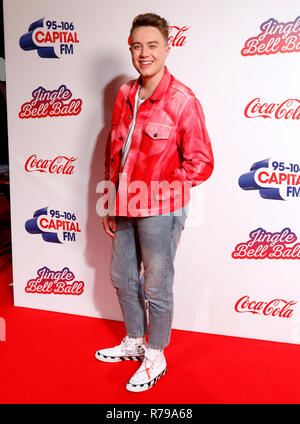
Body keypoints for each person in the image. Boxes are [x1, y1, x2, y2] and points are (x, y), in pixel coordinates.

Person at [95, 13, 214, 392]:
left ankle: (156, 353)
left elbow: (202, 162)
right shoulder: (125, 94)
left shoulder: (182, 100)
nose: (143, 53)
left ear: (167, 47)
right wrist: (111, 200)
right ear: (130, 48)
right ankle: (134, 340)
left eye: (152, 45)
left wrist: (160, 191)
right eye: (136, 46)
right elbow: (114, 152)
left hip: (160, 211)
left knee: (157, 286)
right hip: (123, 204)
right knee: (121, 277)